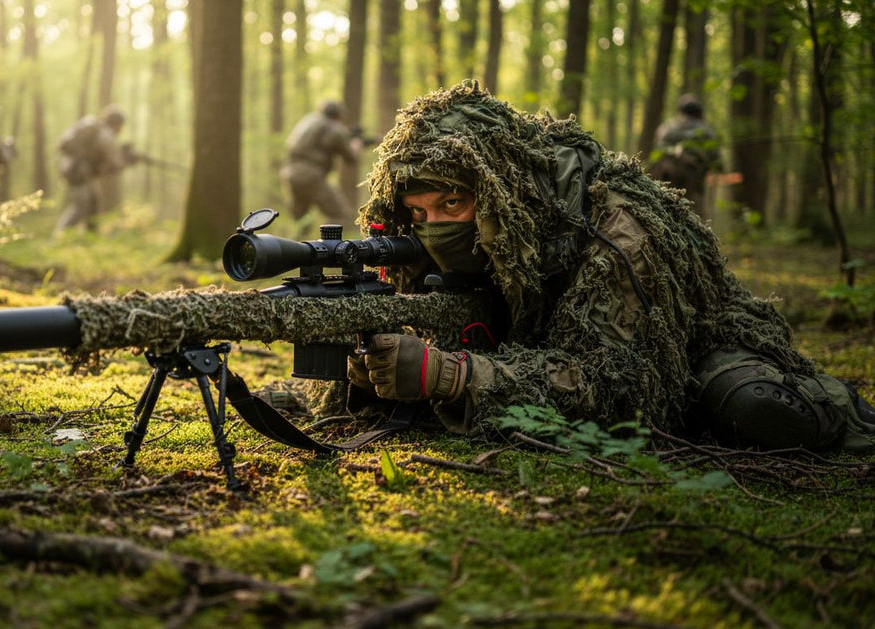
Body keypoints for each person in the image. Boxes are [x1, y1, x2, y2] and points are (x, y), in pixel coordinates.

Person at [344, 80, 875, 454]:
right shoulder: (473, 237)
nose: (433, 227)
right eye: (418, 213)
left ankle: (838, 406)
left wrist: (452, 374)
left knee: (756, 408)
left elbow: (615, 391)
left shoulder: (615, 232)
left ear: (500, 192)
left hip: (691, 344)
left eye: (452, 205)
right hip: (552, 344)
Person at [280, 101, 366, 231]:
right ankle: (329, 248)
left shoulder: (309, 120)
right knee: (340, 215)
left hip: (290, 173)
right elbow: (350, 157)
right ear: (338, 115)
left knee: (302, 221)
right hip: (309, 175)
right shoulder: (334, 128)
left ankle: (298, 246)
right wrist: (356, 145)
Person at [54, 105, 140, 234]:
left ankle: (92, 237)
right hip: (78, 172)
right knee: (80, 207)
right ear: (116, 124)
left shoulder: (97, 131)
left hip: (73, 170)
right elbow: (115, 162)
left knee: (93, 204)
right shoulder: (106, 135)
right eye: (120, 126)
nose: (120, 130)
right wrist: (127, 160)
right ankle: (60, 237)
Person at [648, 94, 722, 217]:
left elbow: (655, 155)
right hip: (692, 180)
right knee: (694, 218)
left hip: (664, 179)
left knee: (662, 214)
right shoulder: (706, 131)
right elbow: (717, 162)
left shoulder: (666, 127)